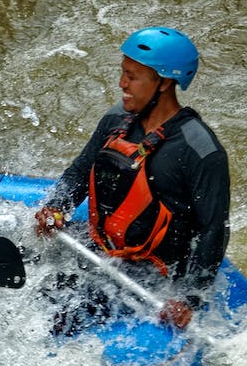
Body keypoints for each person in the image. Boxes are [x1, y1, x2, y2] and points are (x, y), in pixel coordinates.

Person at [33, 27, 230, 332]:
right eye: (122, 73)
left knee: (58, 308)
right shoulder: (117, 120)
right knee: (24, 261)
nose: (122, 84)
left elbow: (212, 232)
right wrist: (57, 207)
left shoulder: (201, 151)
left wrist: (188, 298)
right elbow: (80, 171)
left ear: (164, 83)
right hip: (99, 245)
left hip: (151, 272)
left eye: (132, 76)